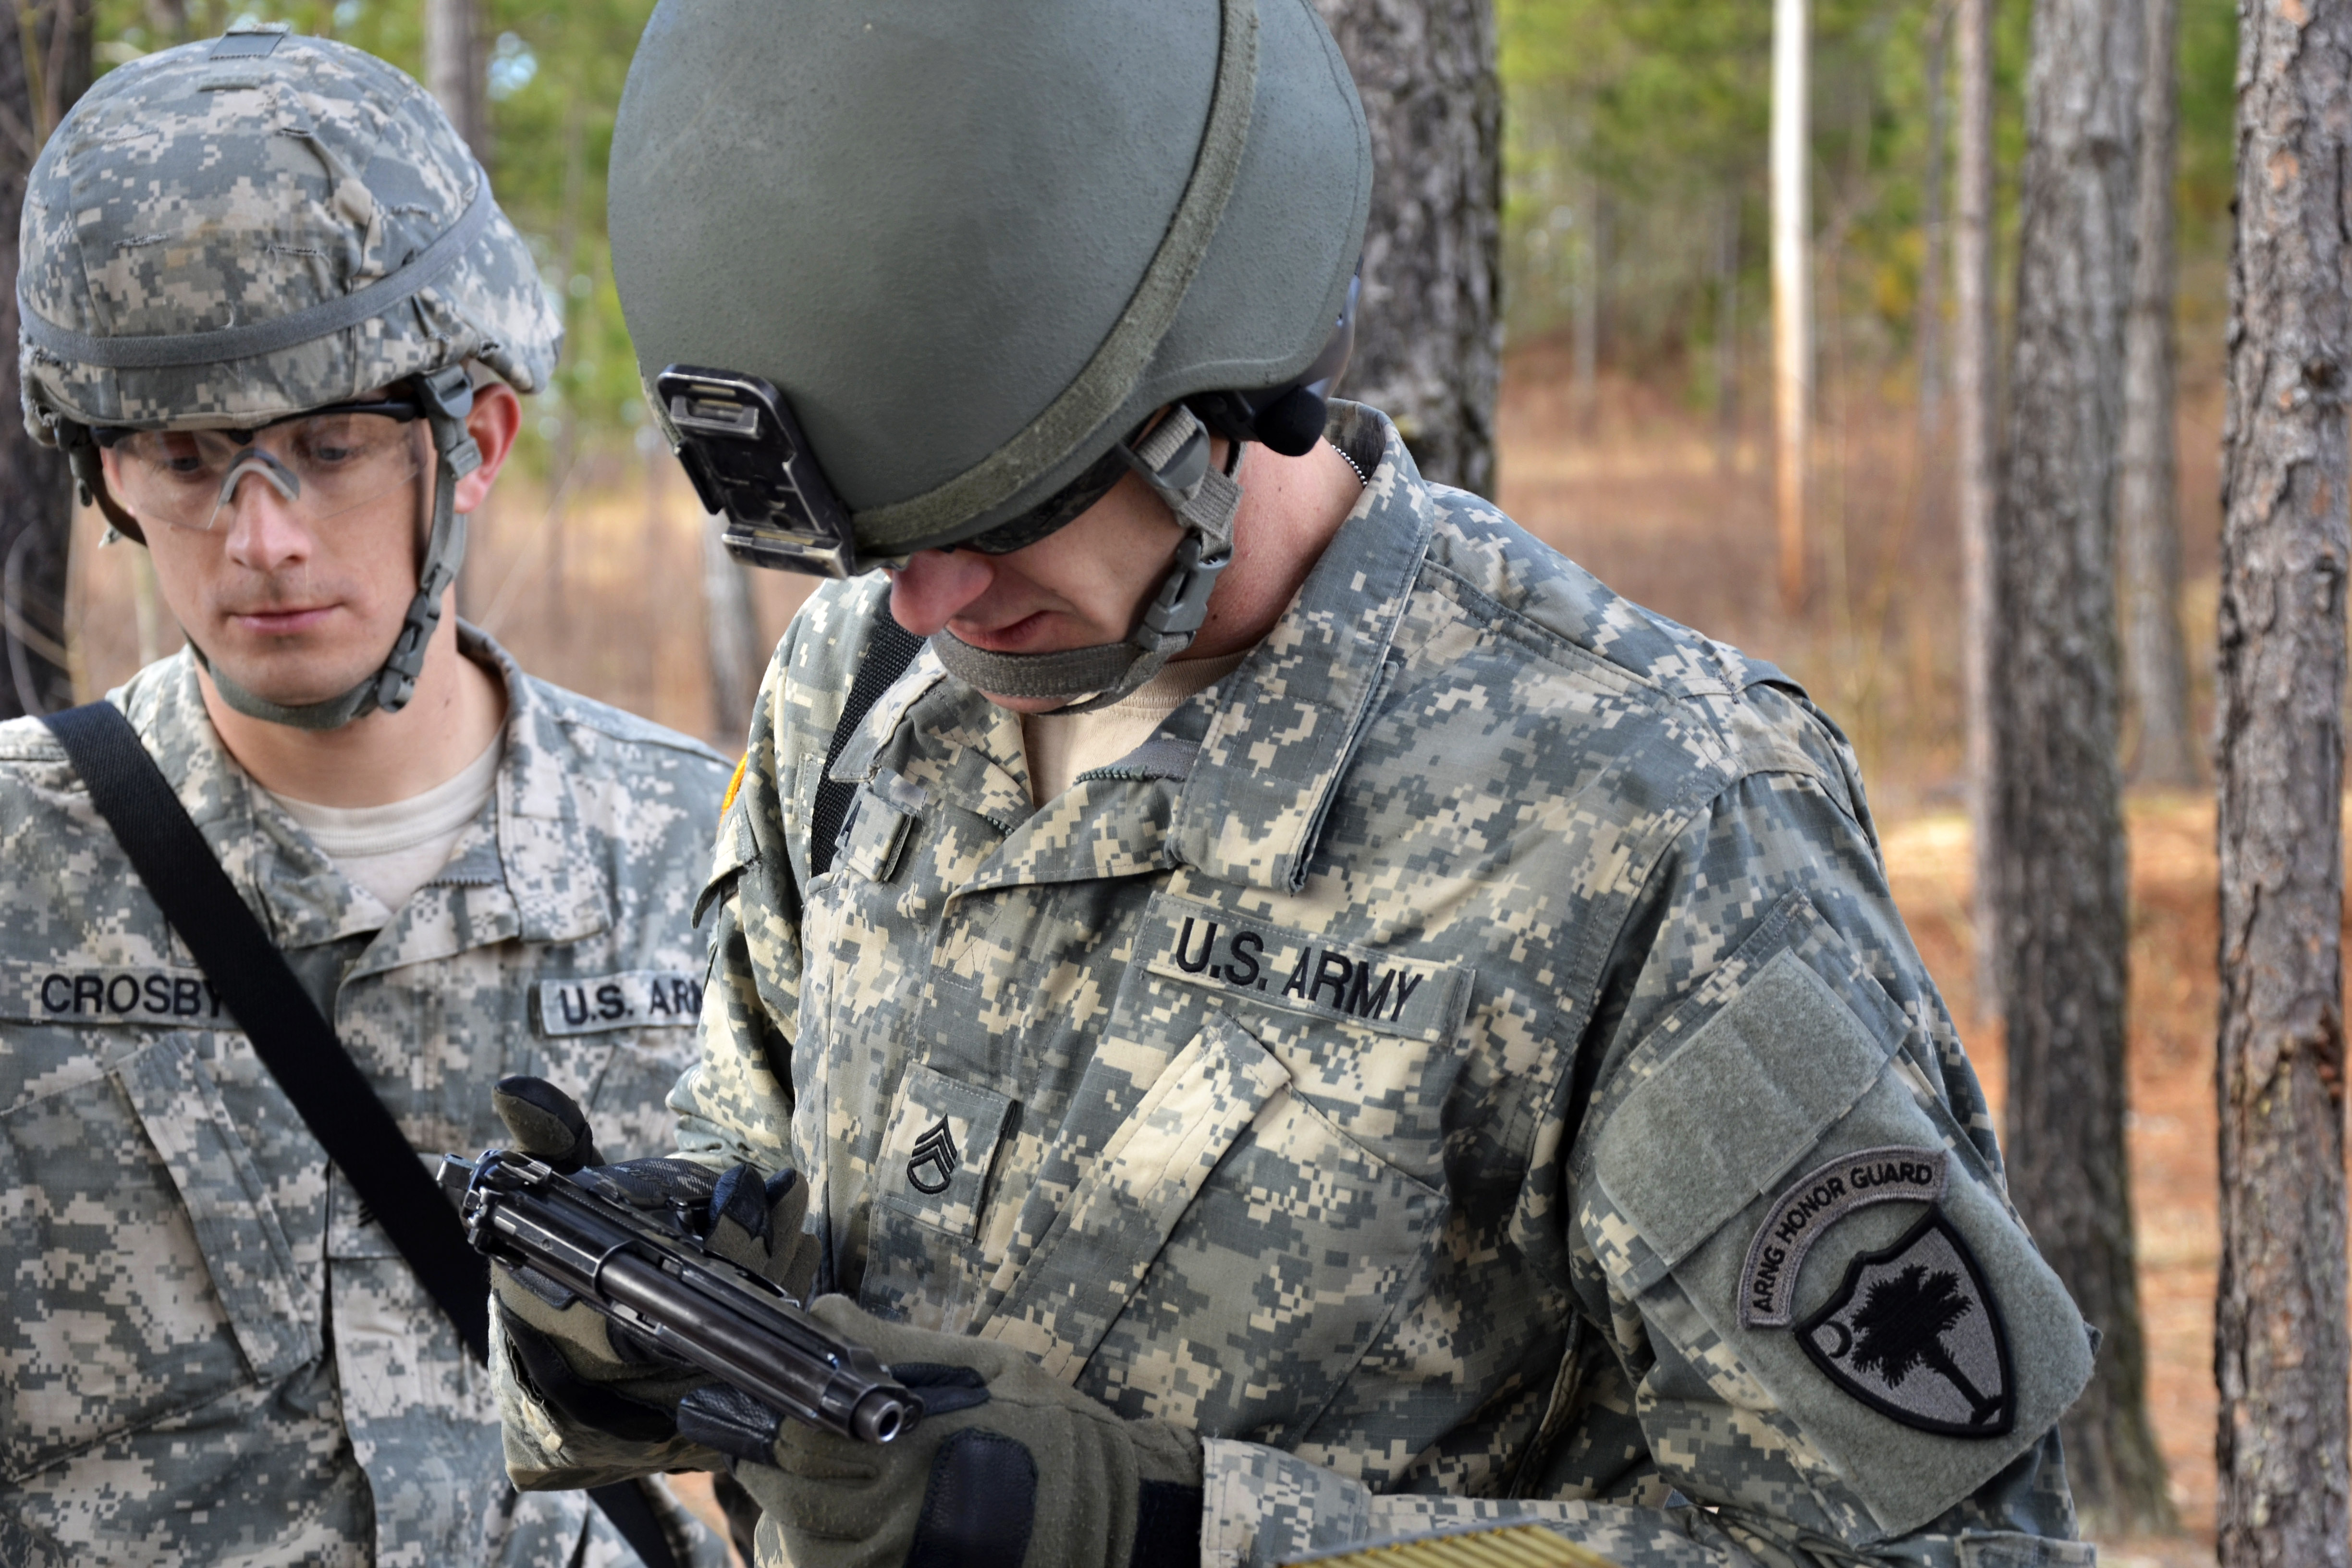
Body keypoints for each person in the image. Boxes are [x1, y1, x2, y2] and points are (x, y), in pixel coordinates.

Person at [490, 1, 2097, 1565]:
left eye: (993, 515)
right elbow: (761, 1123)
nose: (924, 601)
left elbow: (1940, 1549)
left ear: (1219, 380)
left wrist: (1184, 1533)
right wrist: (654, 1299)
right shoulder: (861, 690)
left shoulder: (1647, 810)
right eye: (880, 541)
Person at [0, 24, 732, 1568]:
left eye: (327, 448)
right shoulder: (17, 869)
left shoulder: (717, 859)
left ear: (474, 444)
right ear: (106, 475)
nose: (258, 537)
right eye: (190, 458)